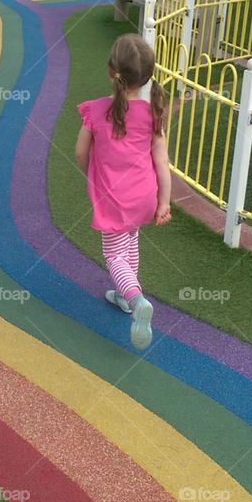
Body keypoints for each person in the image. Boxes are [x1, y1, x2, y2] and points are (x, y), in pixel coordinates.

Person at [75, 34, 171, 350]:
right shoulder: (153, 113)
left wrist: (91, 172)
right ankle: (124, 295)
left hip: (114, 198)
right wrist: (164, 202)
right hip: (145, 195)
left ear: (111, 71)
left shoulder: (96, 111)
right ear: (147, 76)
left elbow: (80, 152)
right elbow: (162, 162)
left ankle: (136, 299)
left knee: (114, 254)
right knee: (130, 239)